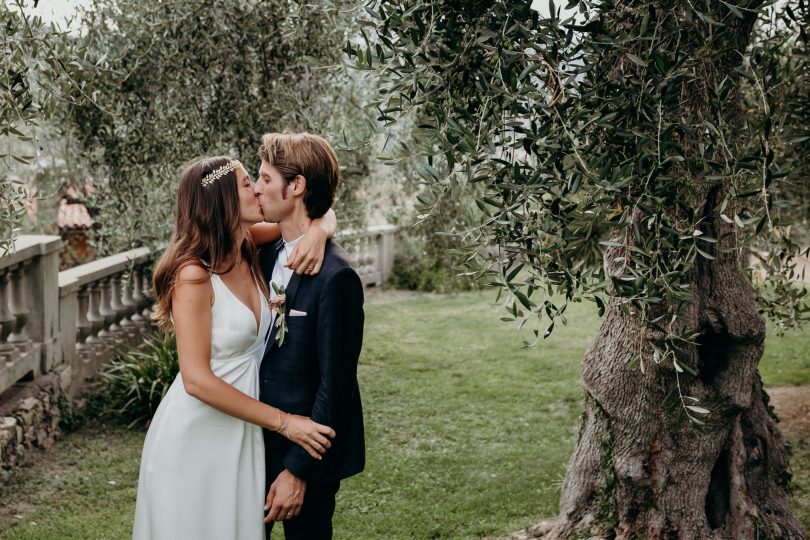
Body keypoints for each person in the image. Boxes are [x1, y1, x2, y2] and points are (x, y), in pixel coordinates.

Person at [132, 155, 338, 540]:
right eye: (248, 183)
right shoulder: (193, 274)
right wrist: (286, 423)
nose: (258, 189)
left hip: (242, 429)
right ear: (224, 199)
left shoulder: (246, 244)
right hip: (197, 433)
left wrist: (320, 232)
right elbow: (196, 380)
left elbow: (318, 214)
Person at [254, 132, 365, 540]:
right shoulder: (262, 254)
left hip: (307, 453)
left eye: (266, 178)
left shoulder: (338, 277)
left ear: (296, 186)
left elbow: (335, 386)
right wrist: (321, 225)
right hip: (253, 443)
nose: (256, 187)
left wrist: (297, 471)